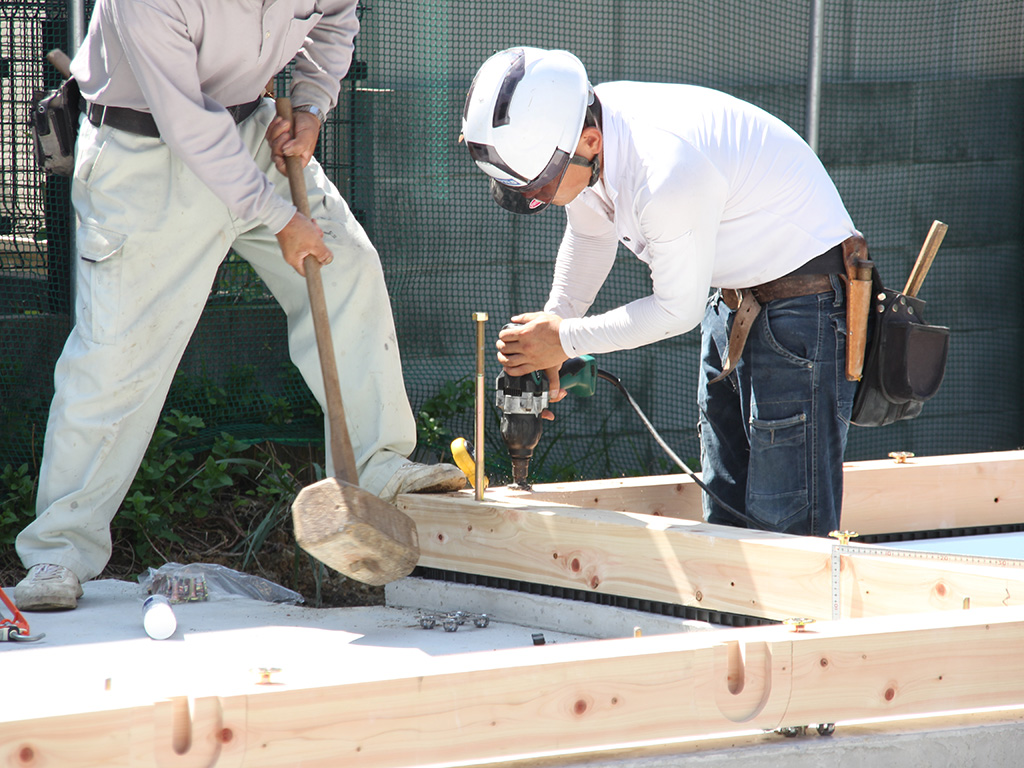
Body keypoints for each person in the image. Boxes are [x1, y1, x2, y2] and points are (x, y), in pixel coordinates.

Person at [14, 0, 466, 611]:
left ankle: (375, 466)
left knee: (348, 267)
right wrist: (279, 217)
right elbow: (185, 122)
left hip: (250, 128)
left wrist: (309, 107)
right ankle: (58, 551)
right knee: (117, 355)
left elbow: (335, 20)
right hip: (144, 149)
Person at [461, 47, 864, 538]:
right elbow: (590, 235)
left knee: (787, 523)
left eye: (540, 184)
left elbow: (677, 310)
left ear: (589, 141)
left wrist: (564, 339)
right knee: (726, 506)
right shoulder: (588, 131)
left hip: (805, 307)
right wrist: (555, 326)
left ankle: (799, 619)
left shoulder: (664, 170)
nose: (535, 197)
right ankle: (734, 617)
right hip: (736, 297)